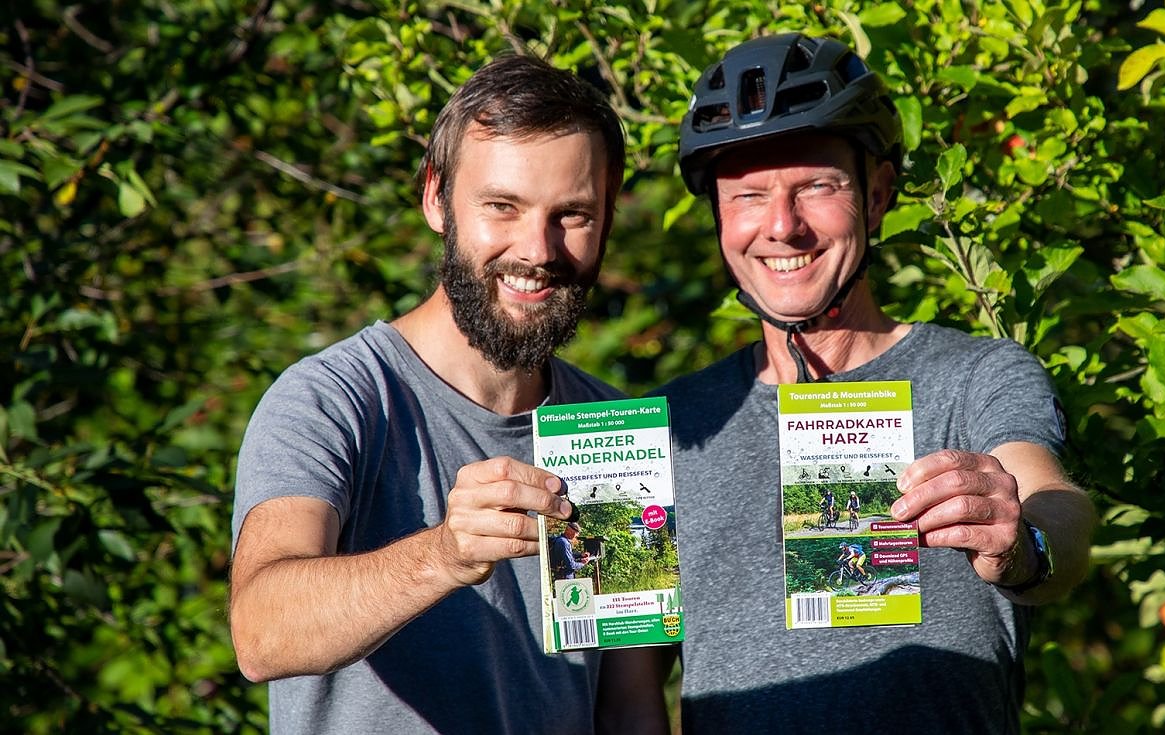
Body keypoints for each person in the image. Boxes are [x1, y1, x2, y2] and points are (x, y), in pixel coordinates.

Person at [597, 32, 1095, 734]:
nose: (782, 226)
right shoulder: (659, 424)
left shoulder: (979, 374)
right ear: (718, 217)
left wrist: (1024, 545)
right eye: (748, 195)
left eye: (815, 187)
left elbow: (1058, 508)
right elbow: (625, 696)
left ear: (879, 194)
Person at [228, 53, 626, 735]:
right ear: (436, 200)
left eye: (573, 214)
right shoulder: (331, 400)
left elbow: (626, 704)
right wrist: (445, 553)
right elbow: (261, 633)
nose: (537, 249)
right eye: (502, 207)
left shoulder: (613, 428)